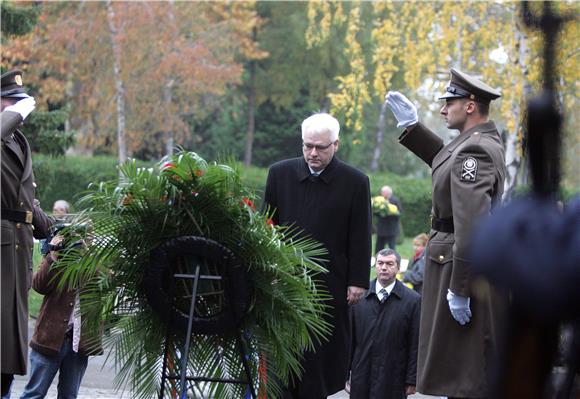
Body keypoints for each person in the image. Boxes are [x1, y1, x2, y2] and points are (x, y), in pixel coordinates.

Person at [385, 67, 506, 398]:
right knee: (458, 370)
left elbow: (471, 224)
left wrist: (460, 288)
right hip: (451, 260)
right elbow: (444, 160)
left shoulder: (475, 151)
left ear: (469, 105)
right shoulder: (472, 144)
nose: (442, 109)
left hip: (456, 264)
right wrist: (412, 127)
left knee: (464, 372)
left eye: (448, 102)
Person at [263, 112, 372, 399]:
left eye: (320, 147)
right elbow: (267, 226)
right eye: (307, 145)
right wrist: (268, 270)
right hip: (284, 282)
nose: (312, 153)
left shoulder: (356, 182)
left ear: (336, 145)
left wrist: (358, 280)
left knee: (322, 360)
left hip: (330, 284)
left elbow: (360, 233)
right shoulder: (279, 174)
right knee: (283, 359)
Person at [1, 70, 52, 396]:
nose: (22, 111)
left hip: (17, 253)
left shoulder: (17, 140)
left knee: (8, 351)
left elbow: (25, 199)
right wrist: (11, 115)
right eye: (13, 102)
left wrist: (53, 227)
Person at [19, 234, 102, 399]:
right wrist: (53, 256)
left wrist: (89, 254)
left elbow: (103, 287)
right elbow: (38, 285)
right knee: (34, 394)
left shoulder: (95, 259)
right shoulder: (57, 255)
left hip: (79, 342)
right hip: (49, 337)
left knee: (69, 396)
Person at [347, 248, 421, 399]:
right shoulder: (359, 297)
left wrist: (412, 379)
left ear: (398, 268)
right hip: (362, 374)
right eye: (380, 263)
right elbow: (349, 339)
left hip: (393, 377)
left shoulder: (412, 300)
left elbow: (415, 342)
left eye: (389, 264)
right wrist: (344, 373)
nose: (384, 267)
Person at [374, 185, 401, 251]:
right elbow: (376, 213)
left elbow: (399, 212)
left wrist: (389, 212)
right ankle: (378, 259)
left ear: (389, 192)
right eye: (382, 192)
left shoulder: (395, 200)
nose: (382, 193)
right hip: (381, 228)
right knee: (379, 247)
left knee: (392, 246)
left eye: (384, 192)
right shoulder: (379, 201)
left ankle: (393, 259)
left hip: (391, 228)